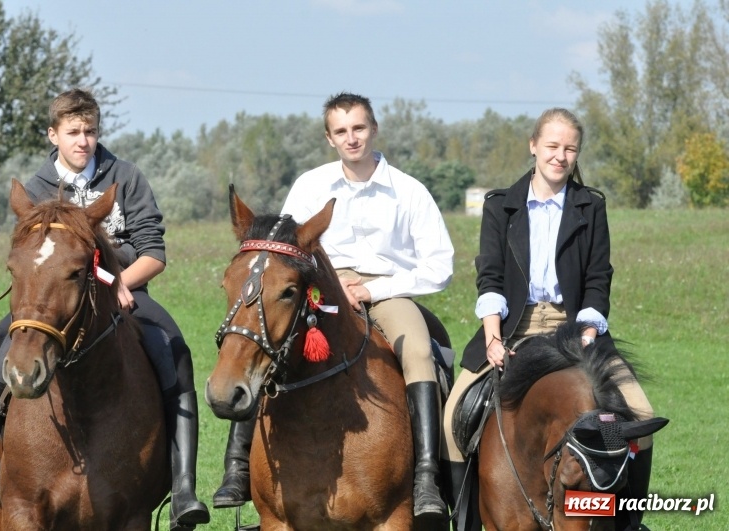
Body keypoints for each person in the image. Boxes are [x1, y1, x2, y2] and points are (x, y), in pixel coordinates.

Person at [0, 88, 210, 530]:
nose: (83, 141)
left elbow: (153, 253)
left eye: (90, 131)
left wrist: (120, 282)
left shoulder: (127, 177)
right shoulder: (38, 187)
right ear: (53, 135)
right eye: (73, 132)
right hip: (54, 298)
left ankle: (184, 489)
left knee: (173, 348)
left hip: (124, 294)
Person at [212, 92, 455, 519]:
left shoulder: (409, 191)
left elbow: (440, 265)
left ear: (374, 129)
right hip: (322, 287)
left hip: (387, 291)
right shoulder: (310, 185)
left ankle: (426, 478)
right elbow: (284, 250)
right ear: (330, 138)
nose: (351, 138)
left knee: (418, 350)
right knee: (265, 336)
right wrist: (330, 283)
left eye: (359, 128)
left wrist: (374, 290)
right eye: (341, 131)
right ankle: (237, 467)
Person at [441, 108, 657, 531]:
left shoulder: (591, 205)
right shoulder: (500, 205)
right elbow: (490, 276)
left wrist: (588, 335)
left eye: (570, 148)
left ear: (577, 153)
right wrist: (492, 338)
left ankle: (627, 522)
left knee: (638, 418)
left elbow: (598, 277)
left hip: (575, 329)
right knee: (453, 420)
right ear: (534, 146)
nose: (560, 156)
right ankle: (465, 521)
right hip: (512, 327)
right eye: (552, 146)